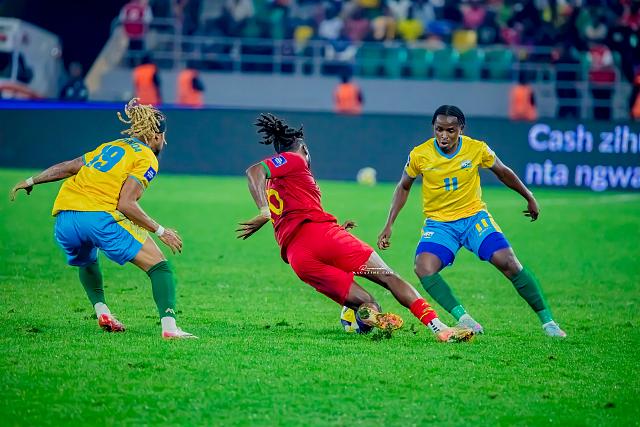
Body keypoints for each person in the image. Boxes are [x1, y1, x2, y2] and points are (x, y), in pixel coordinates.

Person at [236, 113, 473, 343]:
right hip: (324, 237)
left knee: (368, 303)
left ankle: (367, 315)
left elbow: (296, 214)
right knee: (389, 277)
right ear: (305, 149)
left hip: (300, 259)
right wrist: (264, 212)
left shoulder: (277, 182)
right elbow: (254, 170)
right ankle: (440, 328)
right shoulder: (295, 159)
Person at [9, 98, 195, 340]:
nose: (164, 141)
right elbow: (126, 203)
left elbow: (70, 166)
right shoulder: (147, 157)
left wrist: (32, 180)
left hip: (65, 220)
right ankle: (170, 328)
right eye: (164, 136)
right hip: (98, 218)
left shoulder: (110, 146)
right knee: (159, 266)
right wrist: (161, 231)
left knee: (87, 259)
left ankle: (102, 312)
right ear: (156, 136)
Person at [377, 105, 567, 338]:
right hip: (440, 224)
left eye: (450, 130)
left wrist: (529, 196)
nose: (444, 135)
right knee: (423, 268)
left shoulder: (476, 149)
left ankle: (549, 323)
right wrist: (389, 223)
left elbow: (502, 171)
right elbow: (404, 186)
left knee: (508, 262)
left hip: (474, 219)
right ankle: (464, 318)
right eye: (439, 129)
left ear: (461, 129)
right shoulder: (420, 154)